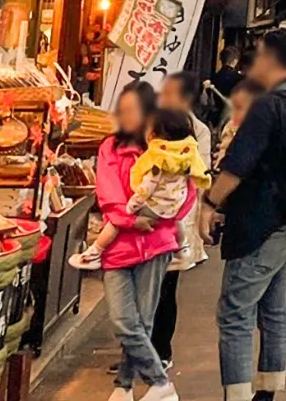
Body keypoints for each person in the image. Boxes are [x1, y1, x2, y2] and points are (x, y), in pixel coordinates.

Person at [201, 28, 286, 401]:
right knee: (275, 310)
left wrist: (210, 204)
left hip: (260, 226)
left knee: (235, 315)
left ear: (269, 59)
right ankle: (267, 393)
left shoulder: (268, 105)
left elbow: (238, 165)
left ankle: (236, 397)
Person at [90, 82, 190, 401]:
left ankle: (123, 386)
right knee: (123, 321)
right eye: (123, 109)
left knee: (143, 322)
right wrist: (132, 220)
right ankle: (161, 383)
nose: (127, 116)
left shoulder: (169, 147)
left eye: (133, 110)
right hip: (120, 244)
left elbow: (187, 193)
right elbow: (108, 194)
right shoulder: (110, 147)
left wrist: (164, 218)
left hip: (155, 244)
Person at [70, 107, 208, 270]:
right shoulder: (185, 158)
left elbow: (145, 188)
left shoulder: (156, 159)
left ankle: (94, 252)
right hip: (150, 234)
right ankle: (183, 248)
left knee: (113, 227)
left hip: (150, 240)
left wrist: (131, 213)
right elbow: (196, 183)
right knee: (178, 224)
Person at [149, 72, 214, 367]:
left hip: (176, 221)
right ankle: (139, 349)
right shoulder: (152, 122)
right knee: (143, 288)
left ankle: (161, 351)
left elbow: (200, 175)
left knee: (165, 288)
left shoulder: (197, 131)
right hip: (147, 215)